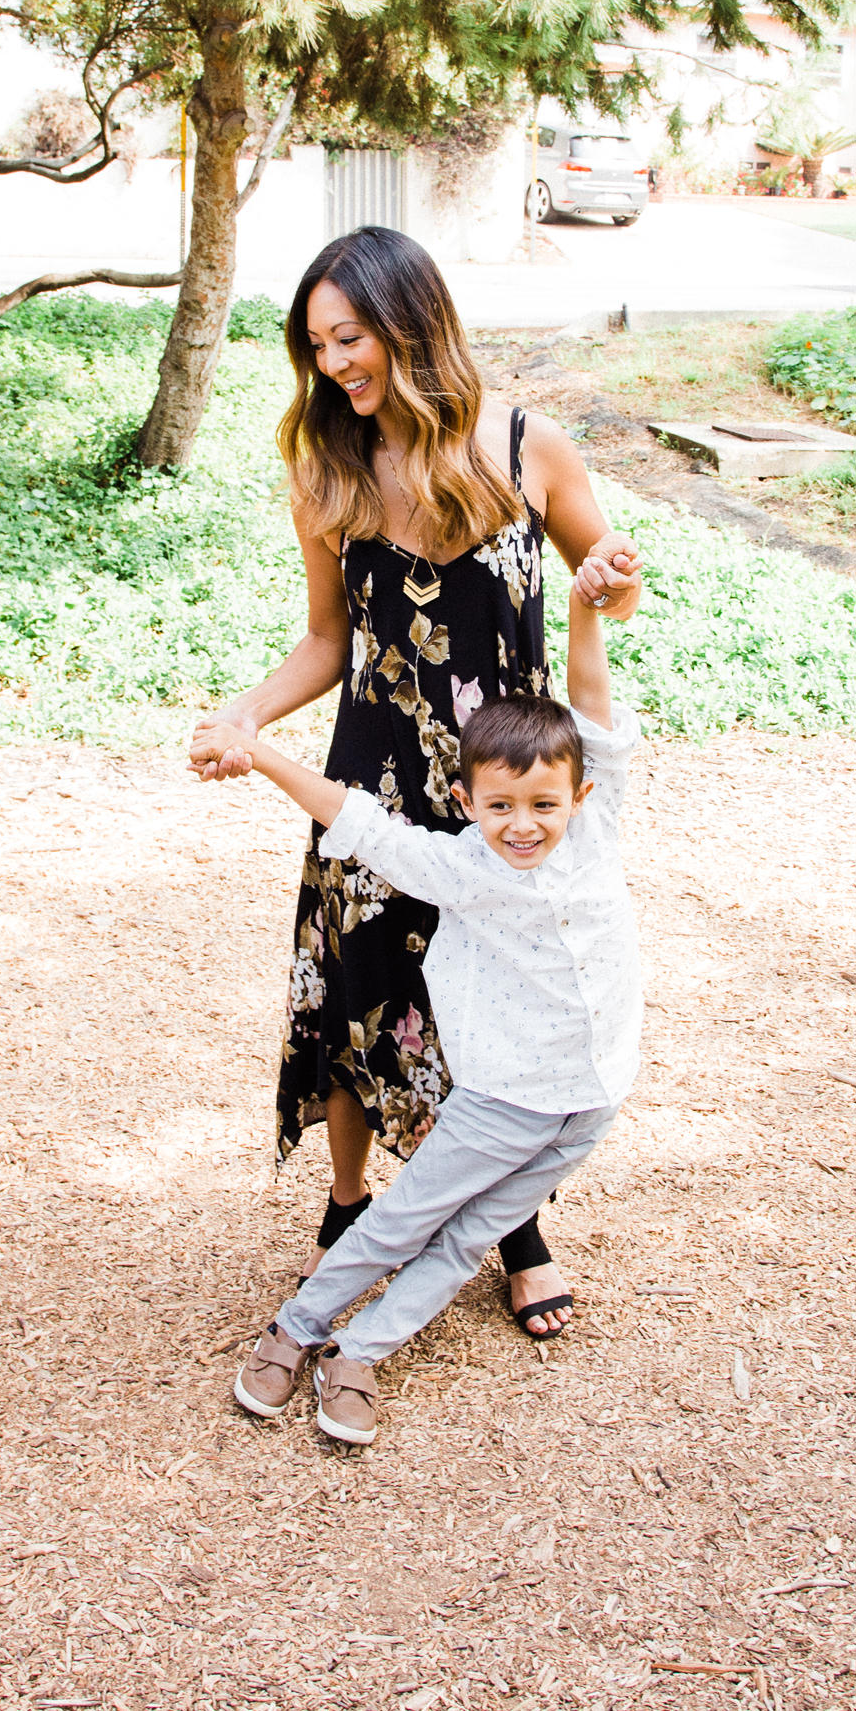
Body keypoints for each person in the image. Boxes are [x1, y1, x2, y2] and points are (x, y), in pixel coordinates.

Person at [193, 226, 641, 1337]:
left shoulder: (532, 448)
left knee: (502, 1002)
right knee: (351, 982)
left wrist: (609, 581)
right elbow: (324, 642)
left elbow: (611, 585)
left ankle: (516, 1227)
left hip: (506, 788)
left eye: (351, 336)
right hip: (375, 776)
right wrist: (245, 714)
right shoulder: (326, 468)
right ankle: (347, 1208)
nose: (337, 362)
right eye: (318, 344)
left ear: (410, 320)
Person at [198, 575, 641, 1444]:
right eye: (500, 806)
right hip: (504, 1095)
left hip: (594, 1094)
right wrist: (264, 755)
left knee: (468, 1237)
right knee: (403, 1220)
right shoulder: (460, 867)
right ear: (468, 802)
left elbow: (591, 700)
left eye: (543, 805)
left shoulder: (596, 827)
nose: (522, 824)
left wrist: (586, 606)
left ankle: (362, 1349)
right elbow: (358, 819)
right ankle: (294, 1327)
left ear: (578, 799)